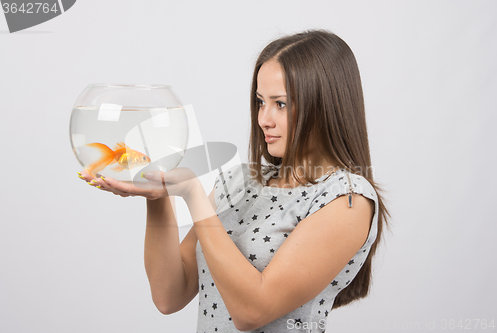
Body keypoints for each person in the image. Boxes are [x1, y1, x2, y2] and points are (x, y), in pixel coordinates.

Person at [78, 29, 390, 333]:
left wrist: (194, 196)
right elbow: (169, 295)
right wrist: (158, 197)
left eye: (280, 103)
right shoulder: (240, 182)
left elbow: (252, 312)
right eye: (260, 101)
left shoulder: (346, 199)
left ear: (324, 105)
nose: (263, 118)